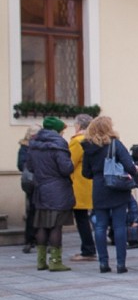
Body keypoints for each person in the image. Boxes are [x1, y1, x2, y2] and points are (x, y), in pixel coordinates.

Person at [82, 116, 138, 274]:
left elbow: (85, 173)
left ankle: (103, 263)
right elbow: (130, 166)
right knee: (119, 226)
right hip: (117, 188)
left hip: (99, 188)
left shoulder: (88, 147)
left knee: (100, 227)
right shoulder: (115, 144)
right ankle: (121, 264)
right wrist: (134, 169)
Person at [26, 116, 75, 272]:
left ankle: (41, 261)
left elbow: (30, 167)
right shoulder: (59, 144)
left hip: (40, 189)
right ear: (57, 130)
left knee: (42, 226)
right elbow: (66, 168)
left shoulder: (33, 145)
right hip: (57, 190)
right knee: (55, 226)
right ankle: (55, 261)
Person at [69, 114, 97, 262]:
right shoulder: (94, 140)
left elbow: (69, 163)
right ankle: (91, 248)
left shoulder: (77, 141)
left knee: (81, 219)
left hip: (80, 185)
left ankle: (88, 250)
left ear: (78, 126)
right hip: (92, 184)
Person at [17, 125, 40, 253]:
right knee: (34, 211)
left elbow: (21, 165)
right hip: (34, 182)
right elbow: (21, 165)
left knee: (31, 211)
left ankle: (30, 240)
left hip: (31, 182)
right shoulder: (28, 147)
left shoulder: (24, 147)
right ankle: (32, 239)